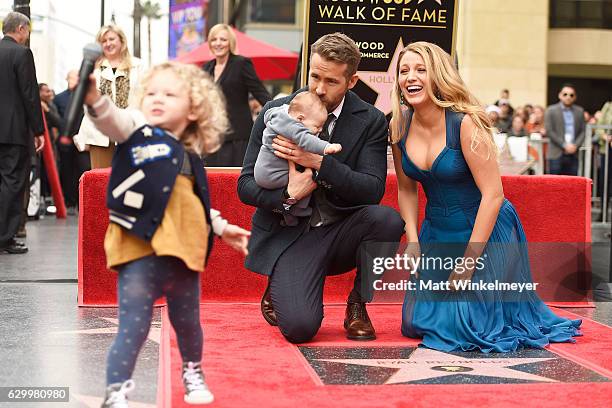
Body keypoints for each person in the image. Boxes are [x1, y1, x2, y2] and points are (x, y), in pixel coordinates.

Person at [389, 41, 581, 352]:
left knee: (467, 330)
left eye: (421, 69)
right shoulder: (398, 126)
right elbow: (406, 188)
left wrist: (468, 262)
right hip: (437, 232)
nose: (410, 76)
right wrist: (413, 239)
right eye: (404, 70)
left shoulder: (465, 123)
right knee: (416, 324)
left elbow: (493, 195)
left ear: (438, 75)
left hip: (484, 230)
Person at [83, 61, 250, 406]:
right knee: (134, 325)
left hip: (182, 252)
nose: (158, 99)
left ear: (193, 109)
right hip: (139, 249)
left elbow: (194, 204)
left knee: (188, 323)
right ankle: (116, 391)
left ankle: (192, 371)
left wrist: (221, 227)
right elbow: (112, 119)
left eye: (170, 94)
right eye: (152, 92)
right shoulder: (136, 132)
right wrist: (95, 101)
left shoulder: (190, 156)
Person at [238, 32, 405, 343]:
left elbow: (371, 189)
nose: (318, 88)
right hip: (290, 235)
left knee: (388, 221)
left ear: (351, 81)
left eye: (331, 82)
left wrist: (319, 163)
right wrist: (288, 196)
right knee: (300, 329)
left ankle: (358, 303)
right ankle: (280, 279)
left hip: (341, 229)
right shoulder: (277, 111)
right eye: (314, 76)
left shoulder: (371, 120)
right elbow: (245, 185)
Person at [254, 91, 342, 226]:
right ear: (300, 119)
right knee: (309, 178)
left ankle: (289, 215)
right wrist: (326, 147)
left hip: (265, 169)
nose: (319, 131)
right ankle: (298, 210)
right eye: (317, 127)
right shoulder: (292, 125)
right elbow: (306, 140)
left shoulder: (280, 114)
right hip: (272, 174)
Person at [0, 12, 44, 254]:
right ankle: (5, 237)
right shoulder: (22, 53)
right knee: (13, 183)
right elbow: (30, 94)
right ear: (20, 28)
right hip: (13, 131)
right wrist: (38, 130)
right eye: (27, 31)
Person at [74, 24, 144, 169]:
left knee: (130, 179)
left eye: (111, 39)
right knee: (100, 179)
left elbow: (143, 96)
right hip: (98, 132)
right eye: (103, 41)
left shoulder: (138, 66)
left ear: (122, 41)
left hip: (130, 130)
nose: (108, 43)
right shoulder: (93, 67)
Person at [203, 23, 272, 166]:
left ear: (230, 43)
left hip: (237, 138)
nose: (218, 43)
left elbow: (261, 93)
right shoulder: (206, 68)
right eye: (214, 39)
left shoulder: (241, 63)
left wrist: (280, 113)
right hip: (212, 138)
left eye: (223, 39)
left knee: (231, 182)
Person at [54, 70, 91, 213]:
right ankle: (69, 202)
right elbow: (56, 120)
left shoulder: (86, 96)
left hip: (83, 140)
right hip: (66, 141)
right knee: (67, 171)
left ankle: (83, 202)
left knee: (83, 169)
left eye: (77, 77)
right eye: (72, 77)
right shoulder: (59, 98)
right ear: (67, 78)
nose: (75, 80)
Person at [545, 84, 585, 175]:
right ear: (560, 95)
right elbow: (549, 131)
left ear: (575, 97)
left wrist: (575, 145)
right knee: (554, 185)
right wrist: (564, 145)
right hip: (556, 153)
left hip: (574, 153)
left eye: (571, 95)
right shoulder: (551, 110)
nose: (568, 97)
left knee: (572, 185)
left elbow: (583, 131)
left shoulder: (579, 111)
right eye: (565, 94)